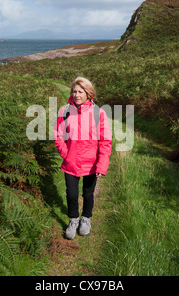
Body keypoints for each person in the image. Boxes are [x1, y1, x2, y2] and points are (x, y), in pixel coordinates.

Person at [54, 77, 112, 240]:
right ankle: (73, 220)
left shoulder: (98, 113)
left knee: (88, 194)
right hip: (71, 162)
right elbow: (58, 136)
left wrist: (101, 165)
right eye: (74, 91)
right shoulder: (64, 111)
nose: (77, 94)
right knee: (71, 194)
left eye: (80, 92)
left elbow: (105, 141)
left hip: (91, 163)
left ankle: (86, 219)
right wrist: (66, 154)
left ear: (88, 93)